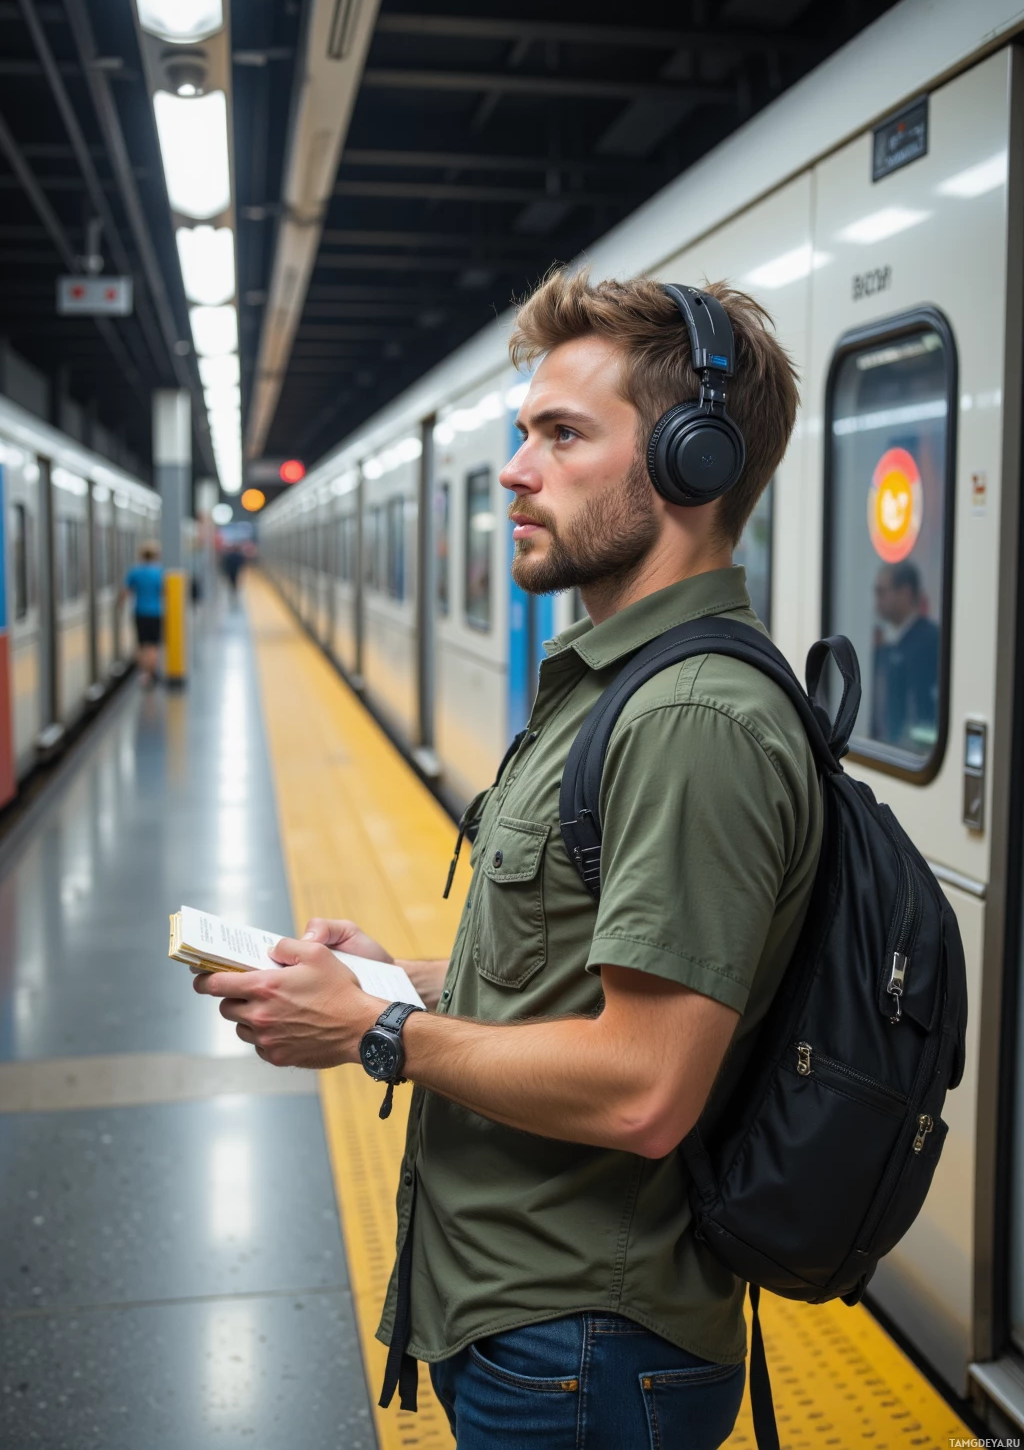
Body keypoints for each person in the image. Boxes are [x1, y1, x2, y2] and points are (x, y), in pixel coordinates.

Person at [195, 272, 821, 1450]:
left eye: (562, 434)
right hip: (534, 1321)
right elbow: (584, 969)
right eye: (522, 432)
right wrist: (403, 981)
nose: (514, 470)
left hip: (586, 1342)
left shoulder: (692, 721)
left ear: (693, 461)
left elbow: (644, 1088)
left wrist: (372, 1035)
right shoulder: (614, 689)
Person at [871, 560, 940, 751]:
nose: (877, 600)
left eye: (882, 592)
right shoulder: (886, 645)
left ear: (906, 593)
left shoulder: (932, 641)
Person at [120, 540, 163, 687]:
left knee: (141, 644)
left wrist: (119, 605)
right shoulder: (159, 572)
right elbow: (165, 592)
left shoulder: (135, 572)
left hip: (139, 612)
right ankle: (152, 673)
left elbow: (125, 592)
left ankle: (144, 674)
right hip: (156, 612)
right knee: (153, 645)